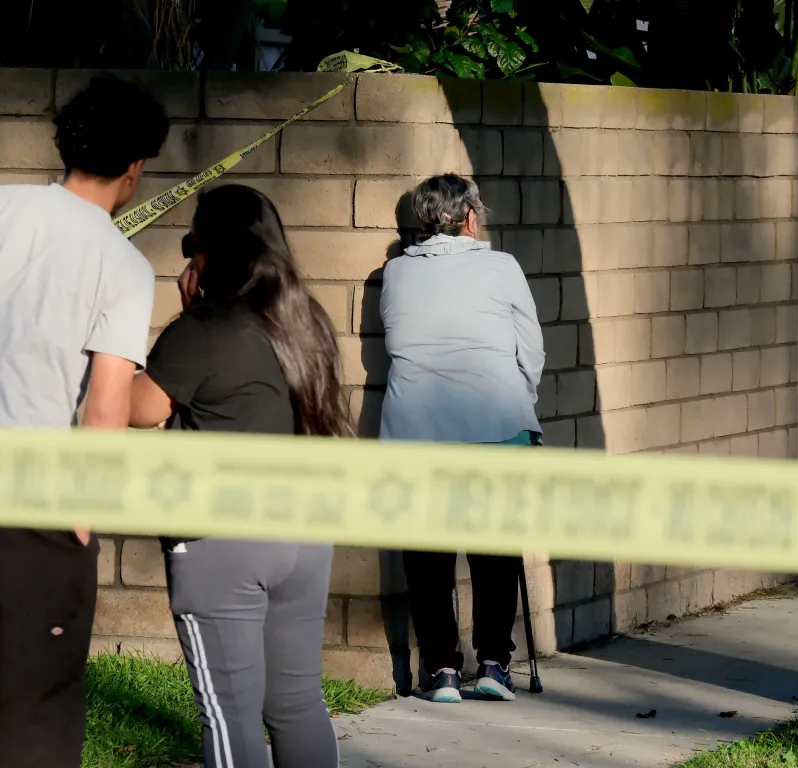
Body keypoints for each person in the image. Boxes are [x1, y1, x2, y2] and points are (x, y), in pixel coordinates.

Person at [129, 184, 350, 768]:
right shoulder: (309, 322)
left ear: (214, 254)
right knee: (300, 703)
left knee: (230, 716)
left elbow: (138, 407)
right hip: (305, 534)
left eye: (190, 245)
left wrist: (187, 314)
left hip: (221, 543)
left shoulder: (202, 331)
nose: (186, 260)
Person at [0, 74, 168, 768]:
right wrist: (81, 521)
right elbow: (107, 407)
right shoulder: (122, 265)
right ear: (135, 168)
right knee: (34, 706)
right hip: (34, 506)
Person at [380, 174, 545, 703]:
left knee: (427, 553)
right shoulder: (501, 266)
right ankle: (494, 664)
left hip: (415, 431)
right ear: (470, 216)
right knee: (496, 549)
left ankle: (443, 670)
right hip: (494, 425)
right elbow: (531, 350)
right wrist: (520, 400)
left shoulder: (395, 272)